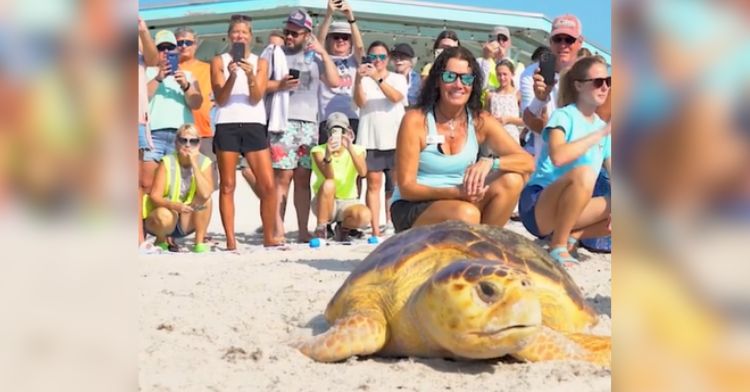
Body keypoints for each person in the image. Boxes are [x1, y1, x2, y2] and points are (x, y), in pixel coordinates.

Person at [392, 46, 535, 232]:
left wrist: (491, 163)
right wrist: (457, 193)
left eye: (466, 78)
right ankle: (476, 248)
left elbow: (527, 162)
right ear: (437, 81)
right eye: (450, 77)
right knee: (467, 214)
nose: (459, 85)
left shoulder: (479, 121)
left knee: (513, 180)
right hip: (414, 205)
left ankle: (482, 248)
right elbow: (407, 188)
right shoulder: (416, 120)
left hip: (464, 199)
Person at [518, 56, 612, 266]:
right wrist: (598, 135)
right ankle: (558, 245)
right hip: (538, 204)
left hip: (570, 208)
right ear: (578, 85)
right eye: (598, 82)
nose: (605, 87)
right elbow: (558, 157)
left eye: (609, 81)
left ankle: (574, 235)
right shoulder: (563, 116)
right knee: (585, 172)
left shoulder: (603, 128)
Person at [266, 8, 341, 242]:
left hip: (309, 124)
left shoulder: (316, 57)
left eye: (295, 34)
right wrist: (279, 85)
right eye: (287, 32)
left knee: (302, 178)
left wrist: (324, 54)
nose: (289, 37)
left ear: (306, 34)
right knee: (282, 178)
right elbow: (259, 86)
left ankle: (301, 230)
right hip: (283, 122)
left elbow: (336, 82)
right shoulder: (274, 53)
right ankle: (276, 229)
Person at [210, 14, 281, 249]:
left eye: (244, 32)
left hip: (253, 123)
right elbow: (220, 99)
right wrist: (231, 75)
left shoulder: (260, 62)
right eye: (236, 32)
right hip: (227, 123)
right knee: (228, 184)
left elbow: (256, 97)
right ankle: (231, 240)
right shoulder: (218, 61)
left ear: (250, 36)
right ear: (229, 35)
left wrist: (249, 74)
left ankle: (269, 236)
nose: (240, 35)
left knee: (268, 185)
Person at [354, 41, 408, 236]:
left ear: (388, 59)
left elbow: (395, 97)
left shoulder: (397, 78)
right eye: (374, 57)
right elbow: (360, 102)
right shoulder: (364, 80)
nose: (378, 61)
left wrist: (377, 78)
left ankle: (395, 224)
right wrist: (358, 80)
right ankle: (375, 229)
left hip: (395, 138)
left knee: (395, 186)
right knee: (373, 184)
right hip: (371, 137)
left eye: (382, 57)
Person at [142, 30, 203, 195]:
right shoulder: (147, 72)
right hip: (153, 134)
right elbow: (140, 100)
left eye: (170, 48)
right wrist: (159, 77)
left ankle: (175, 221)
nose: (166, 52)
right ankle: (149, 220)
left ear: (177, 51)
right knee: (147, 183)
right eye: (161, 48)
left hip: (182, 137)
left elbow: (197, 103)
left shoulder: (188, 75)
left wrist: (186, 85)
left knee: (179, 185)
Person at [520, 14, 584, 159]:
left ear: (580, 42)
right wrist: (540, 99)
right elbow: (530, 121)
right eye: (557, 39)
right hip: (546, 164)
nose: (563, 45)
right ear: (550, 42)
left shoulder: (589, 74)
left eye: (569, 39)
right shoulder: (531, 74)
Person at [143, 124, 214, 253]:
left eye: (193, 141)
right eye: (183, 140)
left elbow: (205, 194)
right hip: (166, 215)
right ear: (176, 143)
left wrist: (194, 164)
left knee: (206, 201)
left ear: (198, 144)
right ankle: (161, 239)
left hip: (187, 219)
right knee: (163, 214)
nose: (187, 145)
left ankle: (199, 241)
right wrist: (174, 205)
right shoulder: (167, 162)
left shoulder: (204, 162)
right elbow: (155, 196)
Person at [310, 112, 370, 241]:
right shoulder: (318, 151)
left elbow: (363, 173)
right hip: (325, 201)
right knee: (329, 184)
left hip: (348, 201)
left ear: (348, 131)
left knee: (364, 215)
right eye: (334, 130)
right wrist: (328, 155)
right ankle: (322, 228)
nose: (337, 134)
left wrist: (349, 148)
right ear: (328, 132)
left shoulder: (358, 150)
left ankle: (343, 229)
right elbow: (329, 176)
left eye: (341, 130)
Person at [315, 0, 365, 143]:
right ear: (329, 40)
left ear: (350, 42)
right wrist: (328, 14)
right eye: (336, 37)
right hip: (327, 119)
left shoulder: (355, 60)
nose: (341, 40)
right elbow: (318, 43)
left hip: (352, 118)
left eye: (345, 37)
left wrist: (351, 18)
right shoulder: (321, 59)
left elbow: (360, 47)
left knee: (351, 161)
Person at [174, 26, 216, 188]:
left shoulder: (209, 68)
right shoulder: (167, 69)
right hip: (177, 135)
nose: (184, 46)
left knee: (206, 186)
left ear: (195, 45)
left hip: (205, 133)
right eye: (179, 42)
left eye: (188, 42)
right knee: (177, 186)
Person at [138, 17, 160, 247]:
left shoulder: (137, 35)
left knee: (135, 183)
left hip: (135, 115)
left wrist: (143, 30)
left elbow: (153, 61)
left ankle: (137, 238)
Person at [478, 26, 525, 94]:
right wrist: (486, 59)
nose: (500, 42)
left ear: (509, 43)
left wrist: (502, 60)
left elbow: (516, 91)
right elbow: (480, 86)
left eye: (504, 39)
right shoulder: (480, 61)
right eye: (497, 39)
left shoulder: (518, 67)